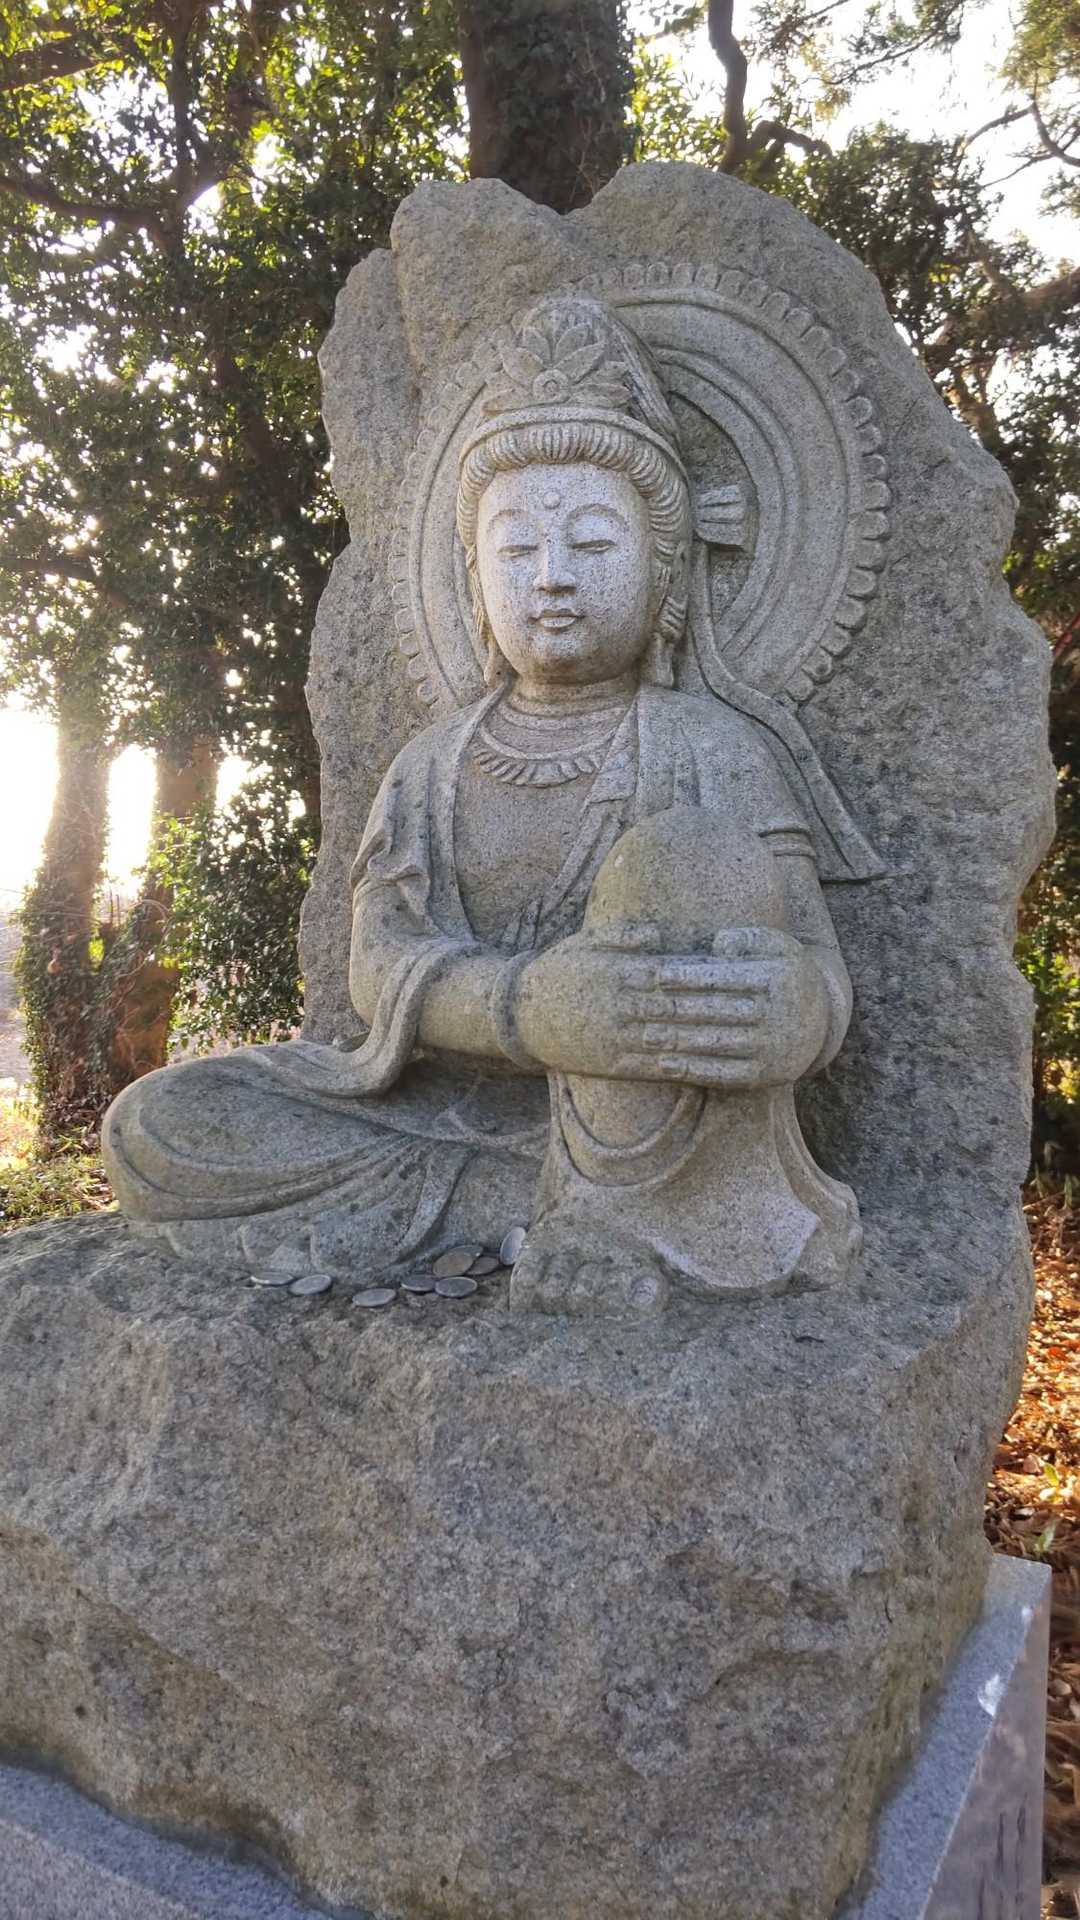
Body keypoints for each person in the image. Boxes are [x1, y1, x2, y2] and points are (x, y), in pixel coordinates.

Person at [103, 293, 858, 1304]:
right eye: (515, 549)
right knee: (155, 1127)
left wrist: (788, 1013)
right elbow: (377, 966)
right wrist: (529, 1012)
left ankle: (614, 1213)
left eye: (593, 545)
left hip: (650, 1124)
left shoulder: (715, 748)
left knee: (691, 858)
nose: (551, 579)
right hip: (446, 1117)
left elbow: (818, 975)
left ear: (667, 574)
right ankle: (548, 1211)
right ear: (472, 581)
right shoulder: (431, 763)